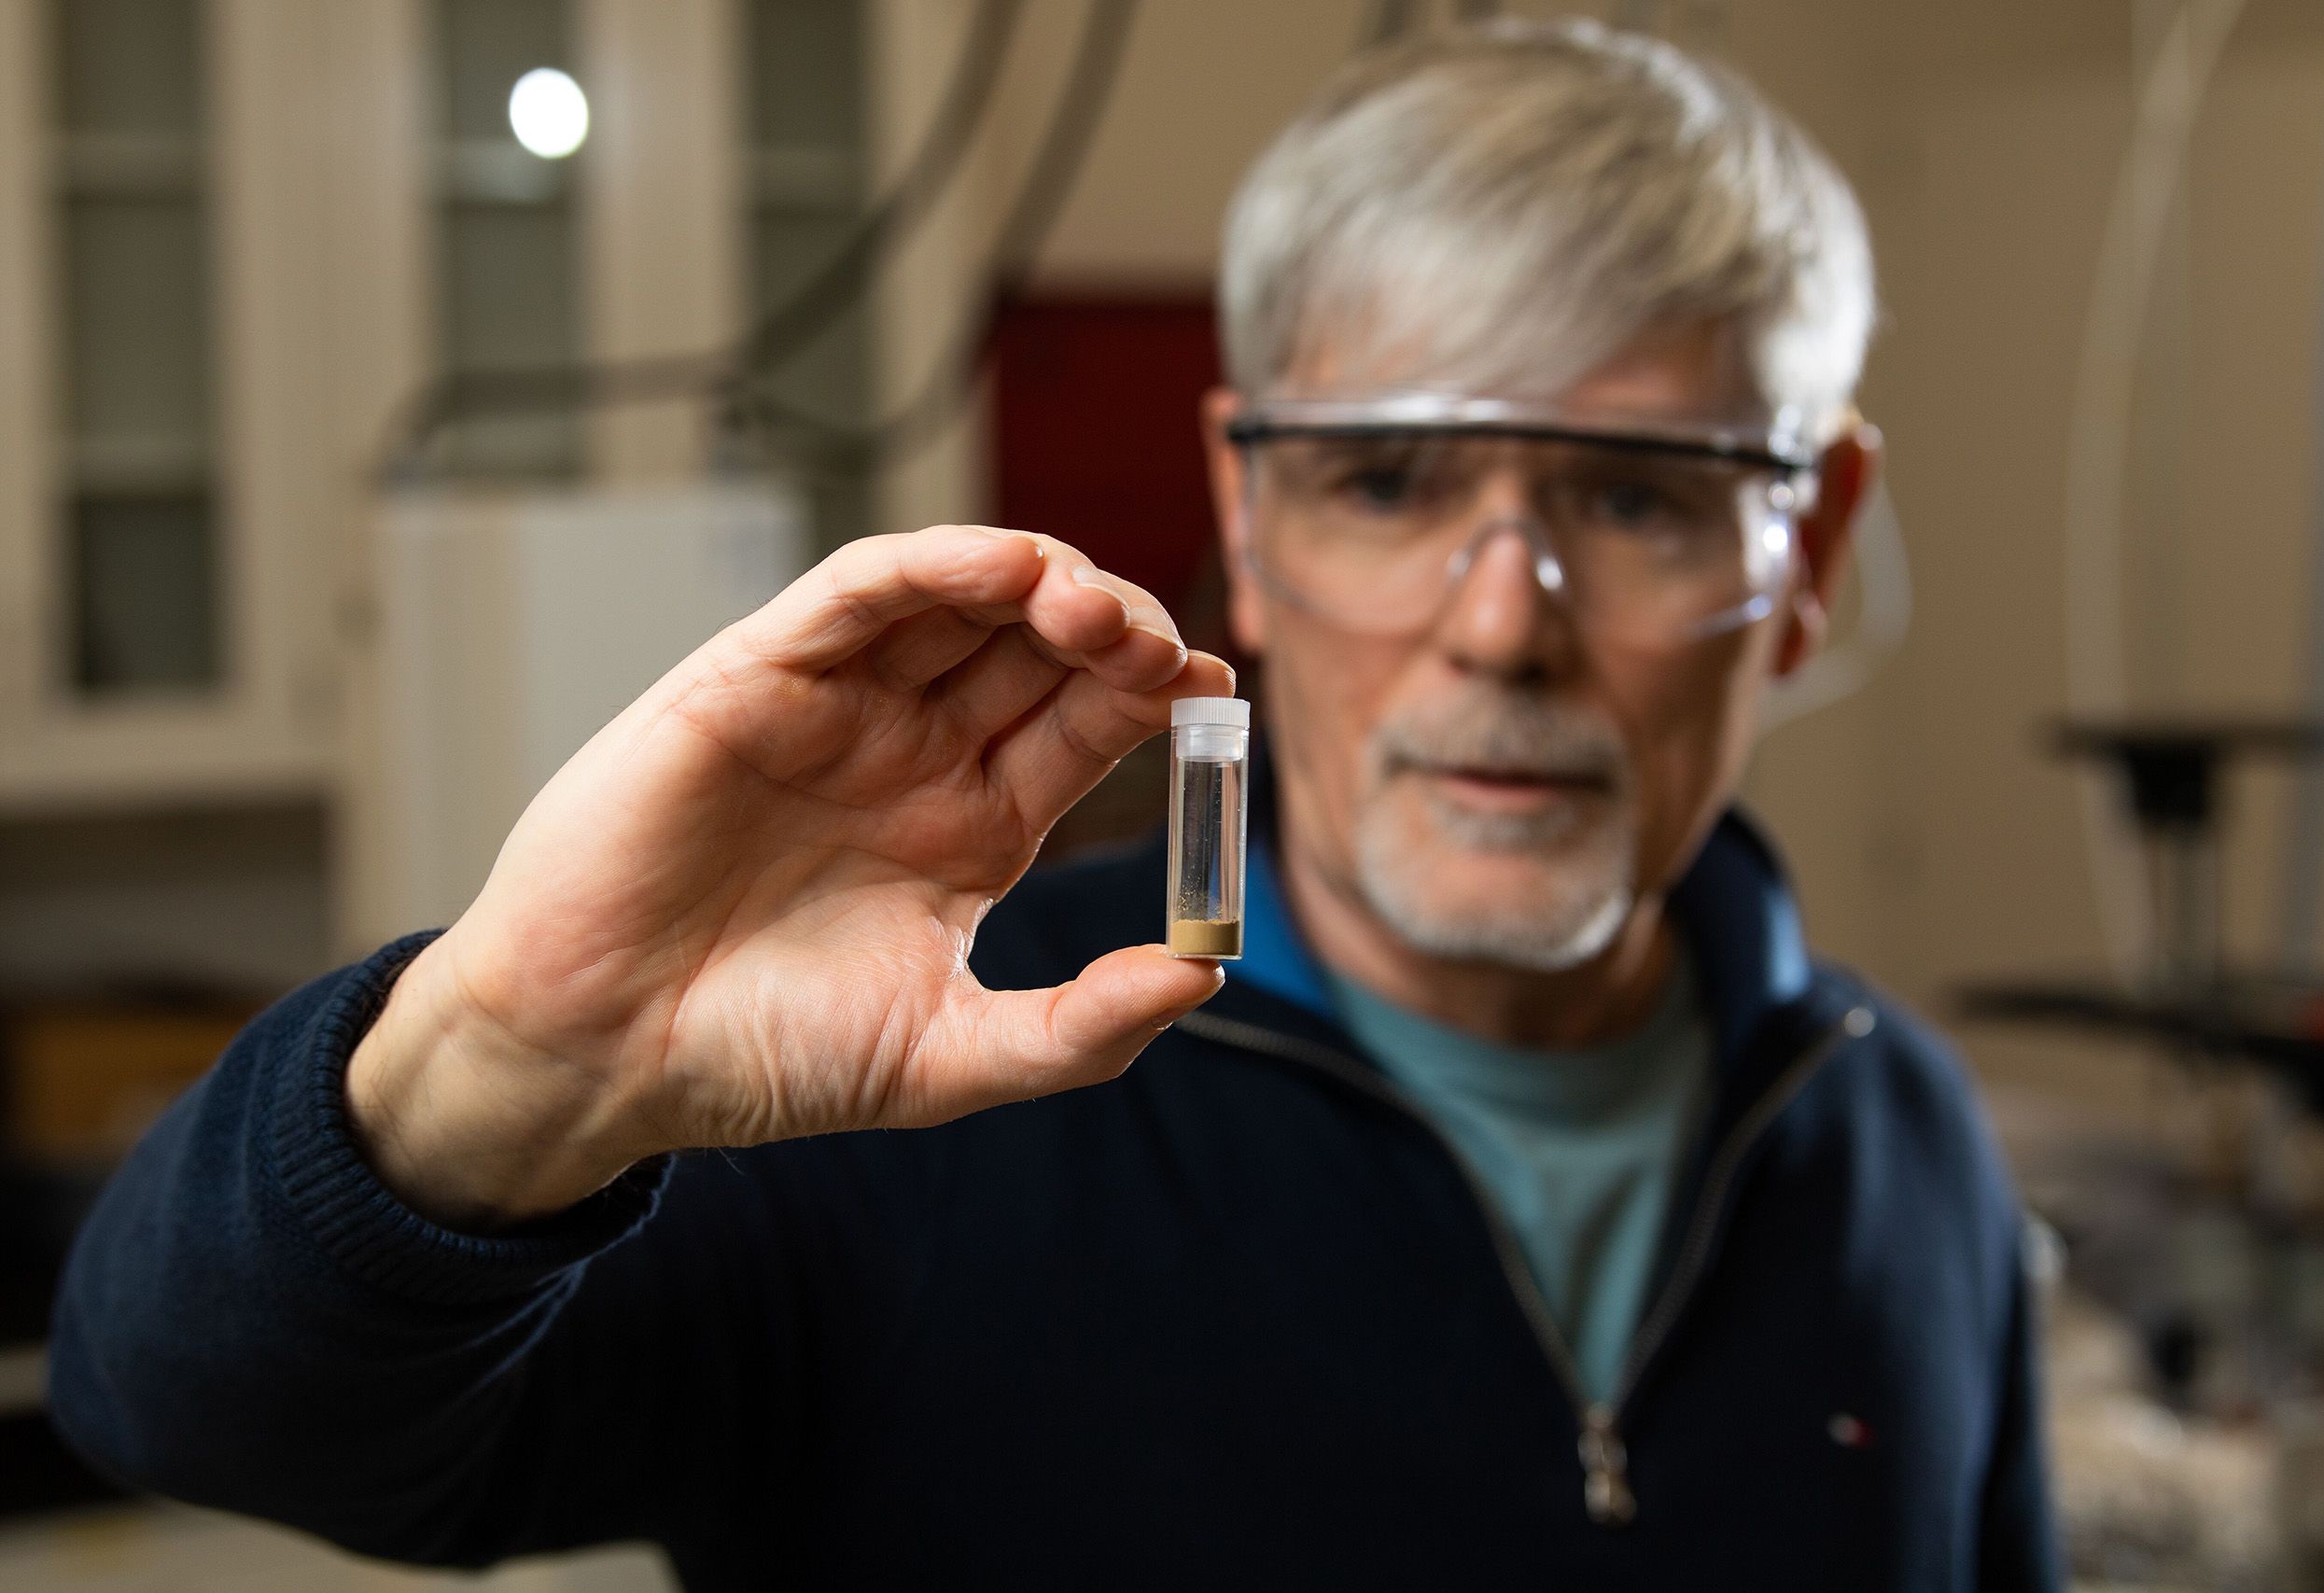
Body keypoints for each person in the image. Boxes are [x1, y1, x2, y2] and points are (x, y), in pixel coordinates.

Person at [49, 21, 2060, 1590]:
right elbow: (186, 1402)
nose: (1499, 628)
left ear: (1812, 546)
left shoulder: (1895, 1141)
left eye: (1634, 495)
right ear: (1247, 518)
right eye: (1383, 482)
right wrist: (509, 1057)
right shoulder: (876, 1084)